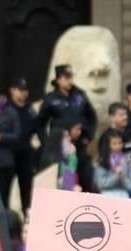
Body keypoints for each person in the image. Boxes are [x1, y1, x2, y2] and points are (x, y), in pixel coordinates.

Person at [37, 64, 98, 192]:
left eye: (71, 77)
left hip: (79, 144)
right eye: (66, 77)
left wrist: (89, 135)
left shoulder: (80, 95)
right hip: (60, 147)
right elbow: (40, 123)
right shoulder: (51, 98)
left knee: (85, 177)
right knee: (63, 180)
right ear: (58, 80)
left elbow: (92, 116)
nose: (70, 80)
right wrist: (47, 143)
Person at [7, 77, 39, 213]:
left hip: (26, 151)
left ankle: (27, 215)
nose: (23, 93)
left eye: (25, 90)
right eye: (20, 90)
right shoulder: (6, 109)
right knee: (5, 186)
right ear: (12, 91)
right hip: (9, 151)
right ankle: (6, 218)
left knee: (26, 187)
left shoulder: (30, 109)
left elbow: (36, 128)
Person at [94, 129, 131, 199]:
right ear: (107, 145)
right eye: (114, 144)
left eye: (120, 143)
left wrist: (124, 177)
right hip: (107, 196)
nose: (118, 146)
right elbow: (101, 183)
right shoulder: (102, 161)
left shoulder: (126, 160)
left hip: (124, 195)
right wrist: (116, 176)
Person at [57, 116, 85, 192]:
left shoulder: (74, 148)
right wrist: (72, 156)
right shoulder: (56, 158)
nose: (69, 139)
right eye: (66, 137)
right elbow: (66, 178)